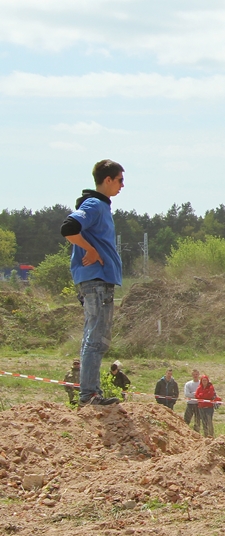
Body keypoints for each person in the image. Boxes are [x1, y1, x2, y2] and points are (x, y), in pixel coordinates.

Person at [61, 159, 125, 406]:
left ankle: (89, 392)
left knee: (93, 337)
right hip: (96, 280)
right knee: (96, 339)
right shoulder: (95, 204)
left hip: (96, 281)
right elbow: (69, 227)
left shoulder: (101, 207)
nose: (122, 185)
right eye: (119, 180)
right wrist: (91, 250)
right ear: (107, 180)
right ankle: (89, 395)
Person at [194, 373, 220, 438]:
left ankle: (211, 435)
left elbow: (209, 395)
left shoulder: (210, 387)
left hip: (209, 407)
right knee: (203, 421)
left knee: (209, 421)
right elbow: (196, 396)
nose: (204, 382)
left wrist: (202, 396)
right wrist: (202, 396)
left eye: (205, 380)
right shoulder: (199, 387)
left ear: (207, 381)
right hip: (201, 407)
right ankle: (205, 435)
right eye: (203, 380)